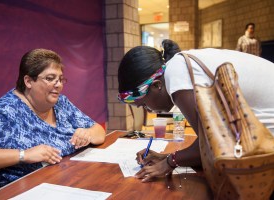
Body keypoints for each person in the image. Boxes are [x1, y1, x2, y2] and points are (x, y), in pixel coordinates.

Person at [117, 39, 274, 182]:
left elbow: (211, 147)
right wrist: (166, 158)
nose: (149, 110)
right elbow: (208, 140)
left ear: (157, 85)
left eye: (144, 104)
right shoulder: (180, 64)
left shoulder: (177, 75)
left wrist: (169, 162)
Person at [0, 49, 106, 198]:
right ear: (28, 81)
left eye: (61, 79)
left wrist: (87, 133)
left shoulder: (61, 103)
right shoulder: (3, 113)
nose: (58, 85)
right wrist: (24, 155)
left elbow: (99, 132)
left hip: (66, 183)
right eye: (50, 78)